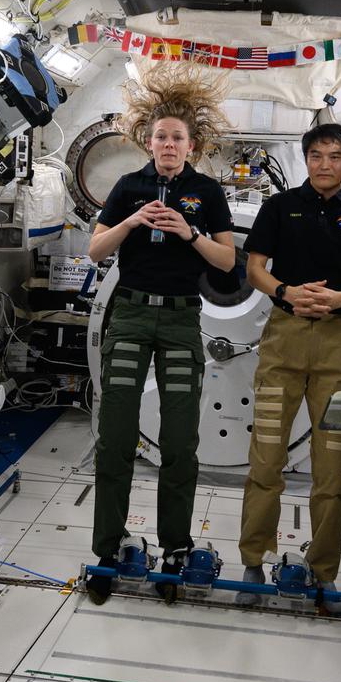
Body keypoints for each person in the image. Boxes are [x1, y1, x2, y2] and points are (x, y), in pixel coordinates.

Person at [84, 71, 234, 604]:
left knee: (179, 441)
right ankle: (108, 549)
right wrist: (131, 222)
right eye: (161, 137)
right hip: (128, 315)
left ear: (192, 146)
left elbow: (227, 260)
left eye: (178, 138)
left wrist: (188, 232)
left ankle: (175, 547)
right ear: (148, 142)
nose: (168, 145)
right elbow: (97, 251)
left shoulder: (206, 192)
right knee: (117, 437)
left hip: (178, 321)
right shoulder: (128, 188)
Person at [237, 123, 341, 614]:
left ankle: (324, 573)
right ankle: (252, 560)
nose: (324, 164)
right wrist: (286, 292)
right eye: (316, 156)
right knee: (265, 460)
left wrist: (339, 298)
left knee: (333, 470)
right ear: (306, 160)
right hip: (282, 341)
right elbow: (255, 268)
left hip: (335, 345)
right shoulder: (279, 208)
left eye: (334, 156)